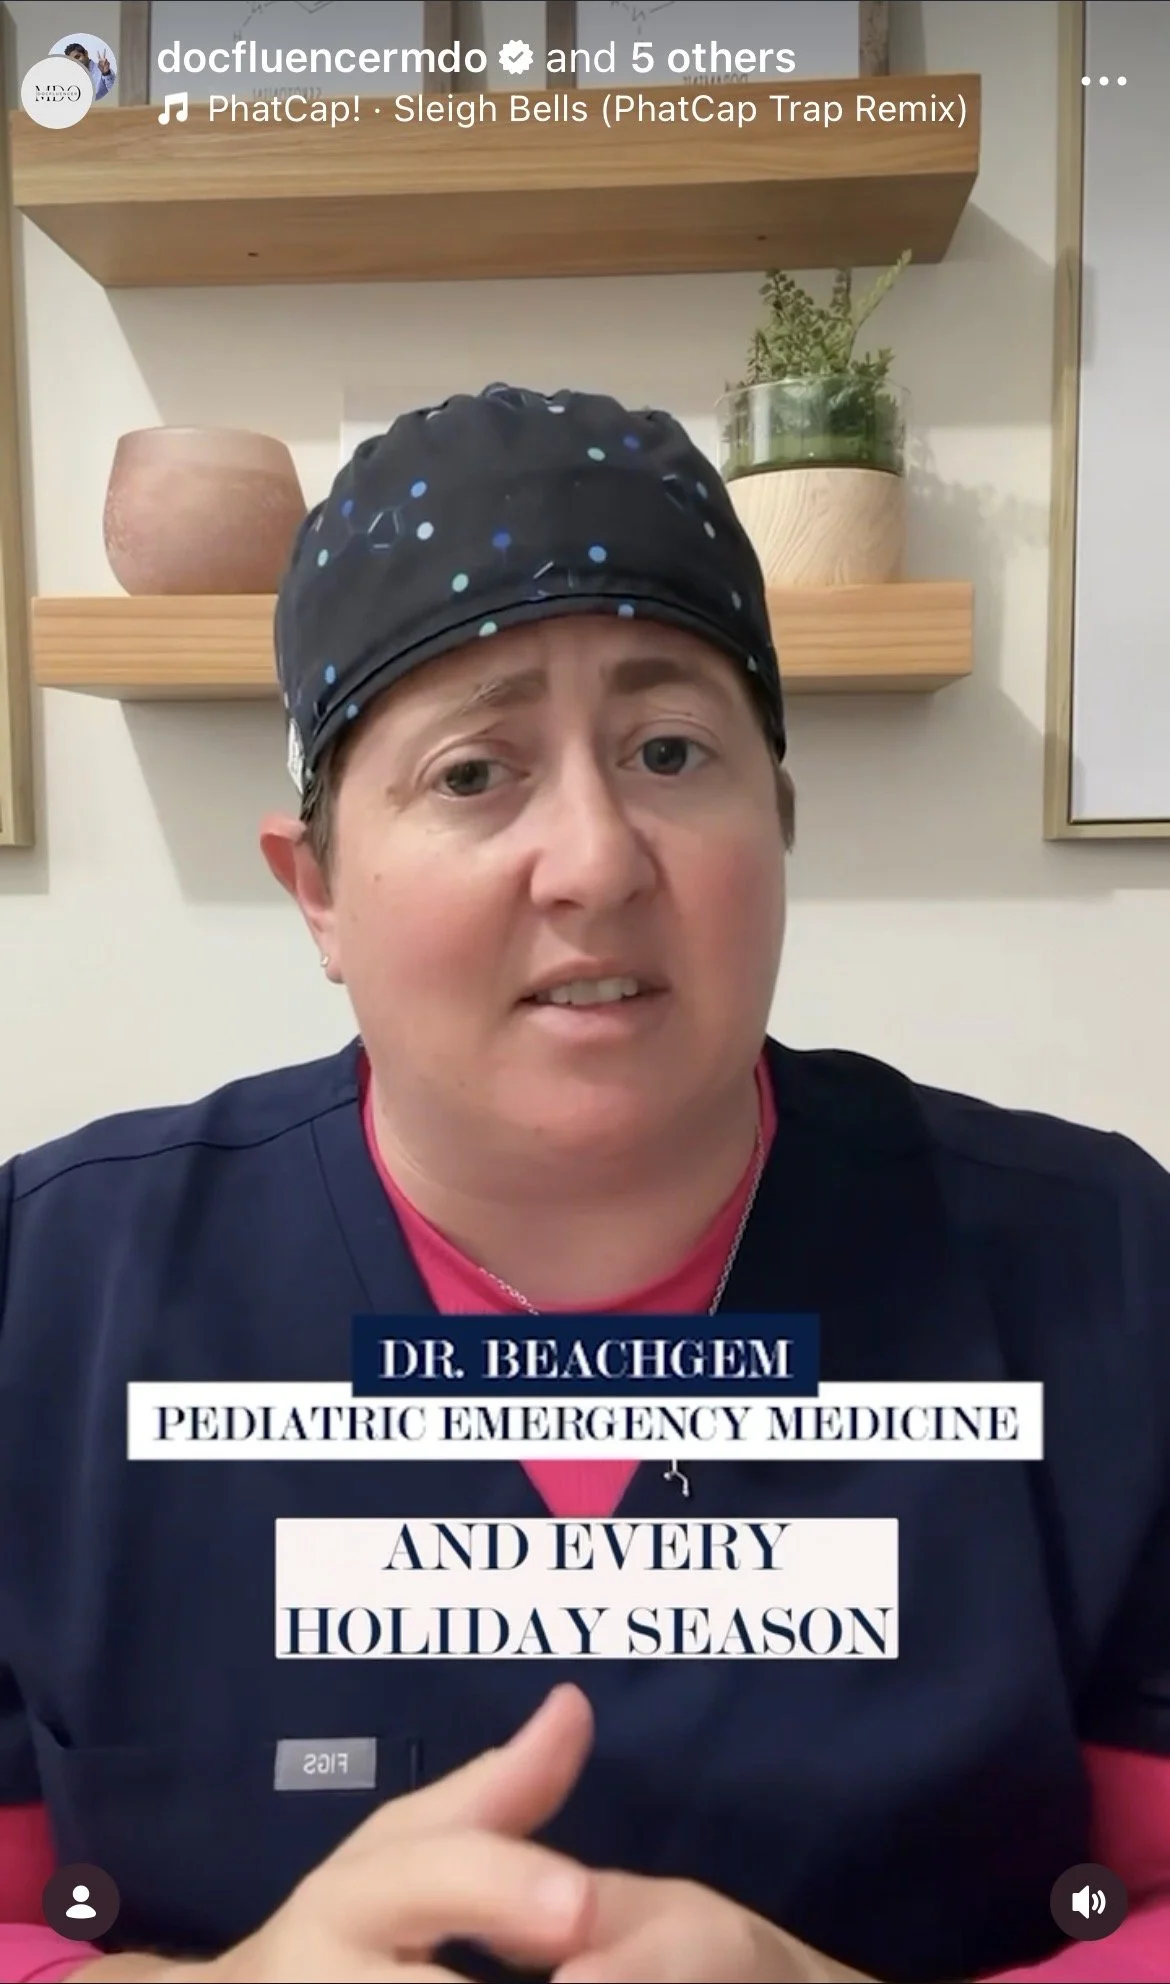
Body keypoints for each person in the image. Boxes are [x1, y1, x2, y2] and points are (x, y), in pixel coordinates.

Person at [0, 383, 1168, 1984]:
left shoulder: (1096, 1272)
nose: (597, 861)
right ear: (317, 889)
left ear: (781, 820)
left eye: (669, 750)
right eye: (473, 775)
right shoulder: (51, 1298)